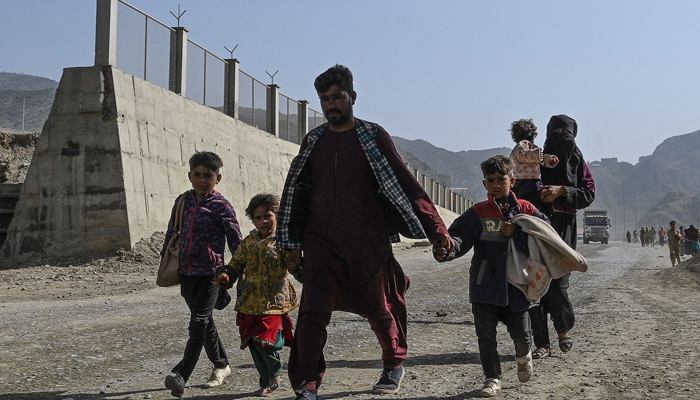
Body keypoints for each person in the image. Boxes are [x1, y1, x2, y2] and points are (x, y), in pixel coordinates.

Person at [277, 64, 454, 400]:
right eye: (325, 99)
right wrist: (291, 244)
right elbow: (296, 195)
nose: (331, 104)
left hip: (368, 244)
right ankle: (307, 383)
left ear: (352, 97)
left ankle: (393, 363)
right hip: (321, 243)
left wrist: (435, 228)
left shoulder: (373, 136)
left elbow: (406, 182)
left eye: (338, 97)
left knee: (380, 310)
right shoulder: (313, 141)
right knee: (312, 314)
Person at [434, 155, 549, 397]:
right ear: (484, 184)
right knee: (486, 337)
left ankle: (523, 355)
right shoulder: (478, 212)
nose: (496, 184)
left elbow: (546, 237)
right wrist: (447, 248)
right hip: (484, 285)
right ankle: (492, 378)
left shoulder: (527, 209)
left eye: (501, 179)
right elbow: (460, 238)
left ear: (512, 181)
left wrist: (517, 232)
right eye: (491, 180)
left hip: (518, 286)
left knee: (521, 334)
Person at [162, 151, 243, 398]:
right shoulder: (182, 201)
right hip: (186, 274)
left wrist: (236, 272)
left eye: (208, 176)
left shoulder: (221, 206)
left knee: (198, 322)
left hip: (211, 275)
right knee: (205, 322)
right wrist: (166, 258)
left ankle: (181, 374)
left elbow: (236, 241)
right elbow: (171, 232)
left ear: (217, 178)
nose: (201, 180)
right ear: (190, 175)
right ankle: (222, 366)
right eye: (197, 175)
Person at [216, 194, 299, 396]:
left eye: (267, 216)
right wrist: (227, 275)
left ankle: (275, 373)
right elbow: (236, 264)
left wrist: (295, 266)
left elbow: (296, 264)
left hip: (273, 302)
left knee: (266, 340)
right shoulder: (249, 242)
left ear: (276, 216)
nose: (263, 221)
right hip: (249, 302)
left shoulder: (283, 241)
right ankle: (265, 380)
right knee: (253, 343)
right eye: (258, 217)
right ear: (253, 219)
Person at [529, 115, 595, 359]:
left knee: (558, 282)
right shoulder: (534, 159)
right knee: (534, 283)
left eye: (563, 131)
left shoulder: (577, 160)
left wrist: (562, 191)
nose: (559, 134)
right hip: (535, 225)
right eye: (554, 131)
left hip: (563, 226)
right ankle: (541, 344)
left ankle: (562, 330)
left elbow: (589, 193)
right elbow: (518, 185)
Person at [508, 118, 559, 207]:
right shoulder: (522, 145)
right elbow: (523, 155)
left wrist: (550, 159)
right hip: (524, 180)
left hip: (533, 179)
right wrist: (537, 155)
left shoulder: (531, 147)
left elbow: (541, 158)